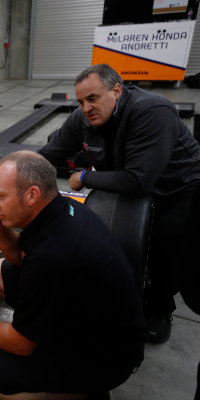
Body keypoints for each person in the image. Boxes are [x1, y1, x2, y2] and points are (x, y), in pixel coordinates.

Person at [0, 151, 146, 398]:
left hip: (103, 356)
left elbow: (21, 344)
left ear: (32, 194)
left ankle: (70, 394)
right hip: (90, 315)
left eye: (1, 195)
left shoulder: (52, 258)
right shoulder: (63, 210)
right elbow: (18, 258)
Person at [38, 63, 200, 344]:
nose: (86, 107)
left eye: (92, 98)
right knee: (107, 239)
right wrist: (7, 174)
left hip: (178, 187)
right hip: (131, 180)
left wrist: (86, 177)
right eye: (80, 101)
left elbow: (139, 181)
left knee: (166, 245)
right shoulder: (83, 118)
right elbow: (49, 154)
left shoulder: (152, 112)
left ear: (116, 91)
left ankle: (160, 307)